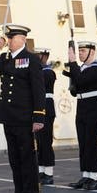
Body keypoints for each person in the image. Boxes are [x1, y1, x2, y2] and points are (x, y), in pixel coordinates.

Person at [0, 24, 45, 193]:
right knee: (15, 161)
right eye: (7, 38)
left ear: (22, 39)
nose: (7, 41)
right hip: (8, 116)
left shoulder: (32, 60)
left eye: (11, 38)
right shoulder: (5, 58)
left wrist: (38, 116)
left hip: (25, 118)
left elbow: (38, 89)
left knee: (27, 161)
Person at [63, 41, 97, 190]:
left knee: (91, 142)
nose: (80, 53)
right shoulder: (81, 69)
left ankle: (93, 176)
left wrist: (73, 63)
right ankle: (85, 175)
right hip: (82, 107)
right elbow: (75, 91)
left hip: (94, 107)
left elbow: (81, 80)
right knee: (83, 142)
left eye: (83, 50)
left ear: (92, 52)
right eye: (79, 50)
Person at [34, 48, 56, 185]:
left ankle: (48, 173)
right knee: (40, 142)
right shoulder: (39, 71)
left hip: (47, 108)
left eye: (38, 56)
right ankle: (41, 171)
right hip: (37, 109)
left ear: (45, 56)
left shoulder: (48, 72)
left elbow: (39, 85)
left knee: (46, 141)